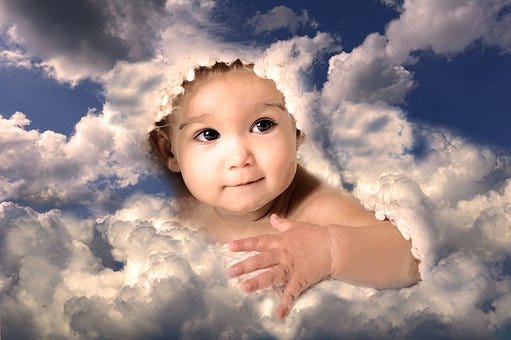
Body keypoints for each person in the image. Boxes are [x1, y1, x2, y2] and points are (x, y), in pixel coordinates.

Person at [149, 59, 420, 319]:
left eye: (262, 125)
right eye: (208, 134)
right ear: (169, 151)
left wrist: (330, 249)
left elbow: (411, 255)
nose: (239, 158)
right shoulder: (175, 207)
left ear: (298, 130)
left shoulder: (315, 206)